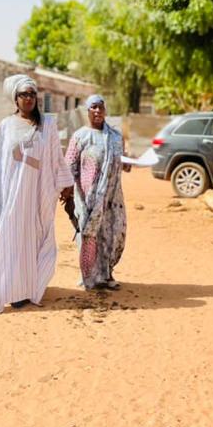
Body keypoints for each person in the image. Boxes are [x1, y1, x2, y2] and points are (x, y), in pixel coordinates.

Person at [0, 75, 73, 313]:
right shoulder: (6, 126)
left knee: (36, 241)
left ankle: (29, 289)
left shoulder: (48, 125)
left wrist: (65, 185)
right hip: (13, 196)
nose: (29, 98)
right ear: (15, 99)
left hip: (39, 194)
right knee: (11, 244)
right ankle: (6, 291)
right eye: (24, 94)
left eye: (32, 94)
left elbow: (56, 157)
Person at [64, 94, 129, 291]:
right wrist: (67, 194)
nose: (98, 111)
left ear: (106, 110)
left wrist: (127, 165)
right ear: (87, 111)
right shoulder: (80, 137)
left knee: (114, 234)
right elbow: (69, 166)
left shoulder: (116, 137)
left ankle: (107, 274)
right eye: (93, 107)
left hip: (112, 198)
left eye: (101, 107)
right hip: (87, 198)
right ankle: (90, 277)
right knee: (90, 235)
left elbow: (122, 161)